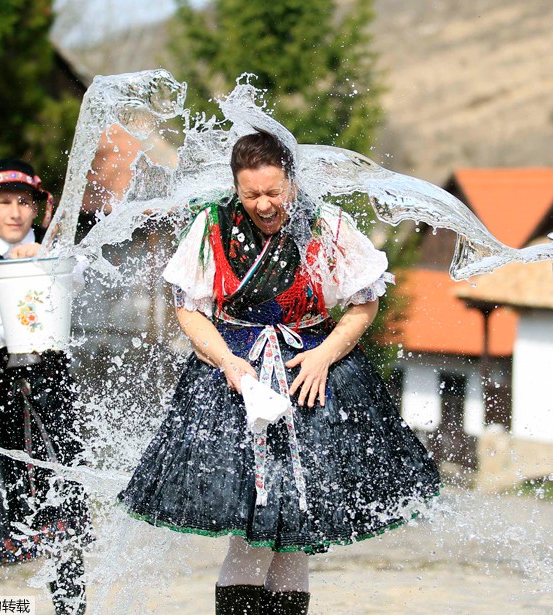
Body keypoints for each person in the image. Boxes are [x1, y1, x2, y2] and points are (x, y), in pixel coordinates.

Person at [119, 130, 441, 614]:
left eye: (273, 191)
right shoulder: (211, 225)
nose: (264, 205)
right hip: (235, 381)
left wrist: (324, 355)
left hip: (310, 379)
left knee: (293, 535)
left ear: (291, 180)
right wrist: (227, 361)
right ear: (236, 187)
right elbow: (189, 309)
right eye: (251, 195)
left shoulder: (326, 224)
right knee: (254, 527)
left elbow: (364, 303)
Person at [0, 159, 88, 614]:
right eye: (4, 202)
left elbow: (75, 285)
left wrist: (44, 260)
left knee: (66, 512)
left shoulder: (56, 251)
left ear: (37, 208)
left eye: (24, 202)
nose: (14, 212)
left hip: (51, 393)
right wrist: (17, 269)